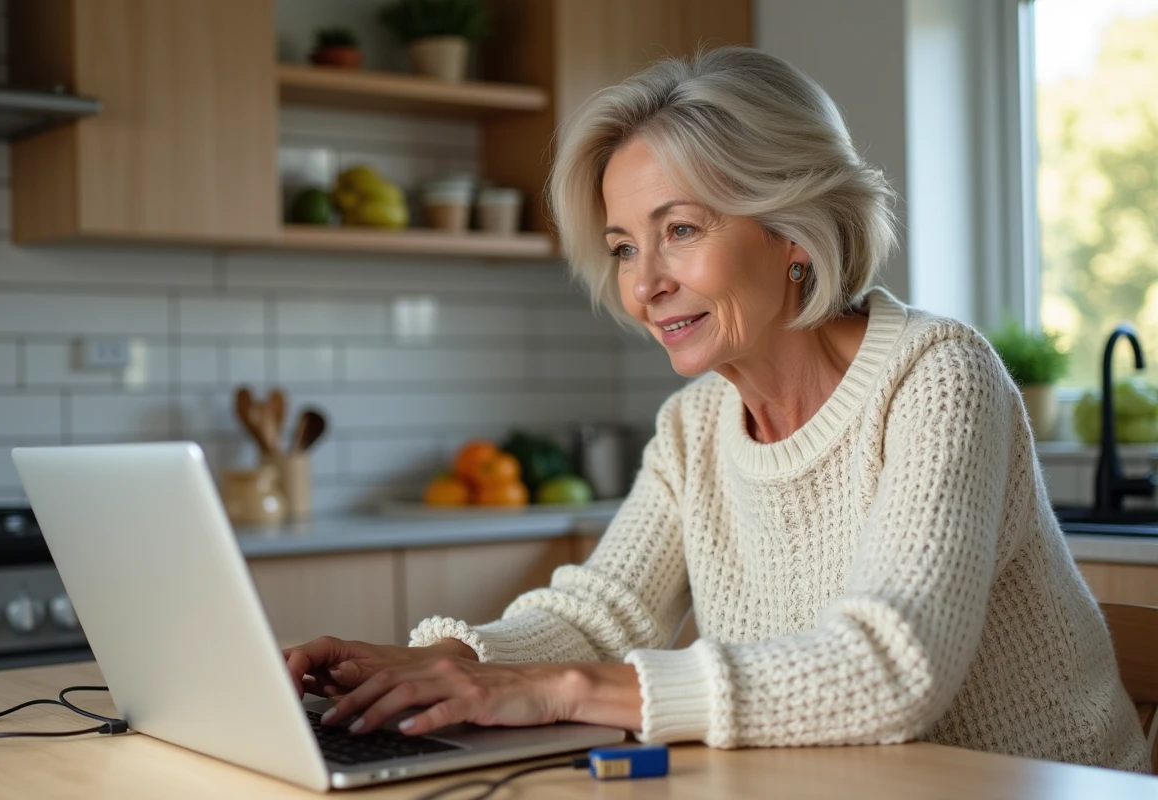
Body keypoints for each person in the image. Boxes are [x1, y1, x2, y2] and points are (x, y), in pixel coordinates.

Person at [283, 47, 1149, 773]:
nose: (644, 284)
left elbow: (892, 667)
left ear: (794, 229)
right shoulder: (694, 426)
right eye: (625, 247)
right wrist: (446, 661)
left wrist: (560, 689)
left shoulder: (937, 375)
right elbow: (603, 615)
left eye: (681, 231)